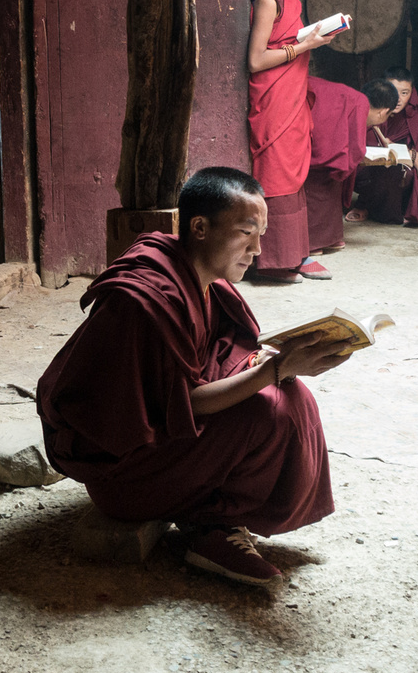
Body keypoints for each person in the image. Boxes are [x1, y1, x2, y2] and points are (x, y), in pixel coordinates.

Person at [36, 167, 351, 586]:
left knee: (287, 392)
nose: (258, 249)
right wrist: (275, 369)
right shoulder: (146, 299)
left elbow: (218, 351)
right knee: (272, 408)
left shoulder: (200, 278)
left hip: (162, 444)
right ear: (199, 227)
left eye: (261, 234)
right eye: (245, 232)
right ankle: (212, 525)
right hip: (125, 478)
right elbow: (183, 402)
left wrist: (270, 366)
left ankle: (211, 516)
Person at [245, 0, 338, 282]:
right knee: (278, 172)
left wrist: (314, 37)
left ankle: (296, 254)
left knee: (295, 171)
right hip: (273, 98)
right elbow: (256, 59)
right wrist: (304, 46)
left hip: (292, 95)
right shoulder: (267, 0)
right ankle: (274, 262)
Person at [301, 76, 370, 268]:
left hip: (317, 137)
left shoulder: (349, 96)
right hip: (319, 142)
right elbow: (357, 146)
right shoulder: (359, 100)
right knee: (323, 181)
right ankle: (319, 242)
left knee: (326, 183)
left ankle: (325, 240)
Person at [348, 71, 418, 228]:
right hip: (365, 168)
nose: (398, 99)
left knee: (405, 172)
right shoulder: (370, 106)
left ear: (412, 93)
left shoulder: (415, 112)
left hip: (397, 170)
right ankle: (365, 203)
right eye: (393, 91)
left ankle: (384, 208)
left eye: (404, 93)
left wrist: (410, 154)